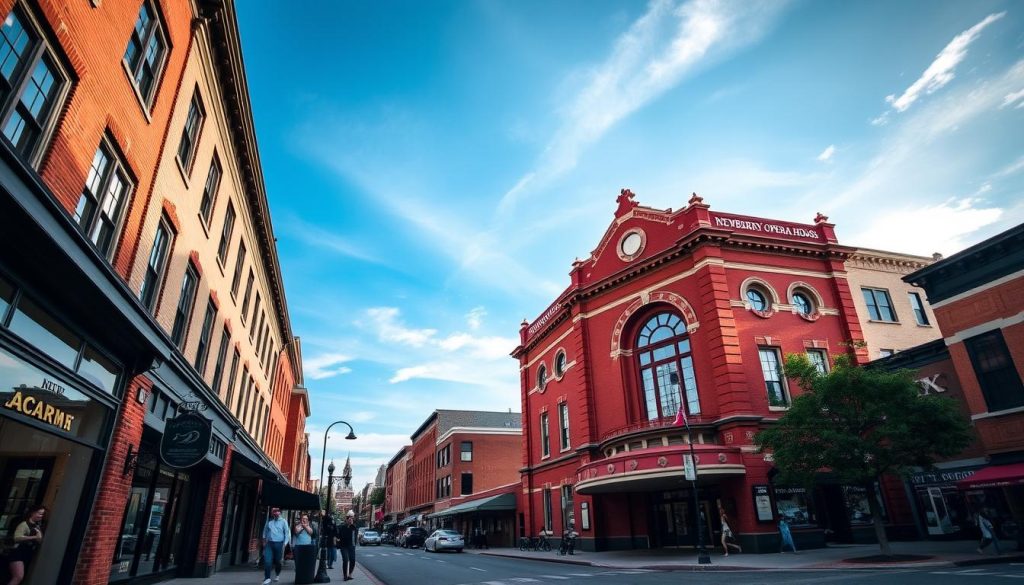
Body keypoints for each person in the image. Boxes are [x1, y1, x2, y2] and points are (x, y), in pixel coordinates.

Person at [6, 505, 45, 585]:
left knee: (21, 577)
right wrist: (34, 537)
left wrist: (38, 536)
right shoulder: (24, 524)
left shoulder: (37, 526)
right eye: (39, 514)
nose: (41, 516)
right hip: (17, 553)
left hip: (27, 554)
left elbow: (39, 540)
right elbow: (17, 537)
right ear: (33, 513)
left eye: (42, 514)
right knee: (18, 576)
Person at [261, 507, 290, 585]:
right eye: (274, 511)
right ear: (272, 512)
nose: (275, 512)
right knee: (267, 561)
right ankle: (267, 578)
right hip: (269, 543)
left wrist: (285, 543)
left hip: (279, 544)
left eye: (277, 511)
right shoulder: (269, 521)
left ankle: (277, 574)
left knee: (278, 561)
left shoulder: (284, 522)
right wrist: (264, 541)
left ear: (280, 512)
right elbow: (265, 531)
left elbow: (287, 533)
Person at [336, 511, 358, 581]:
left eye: (352, 518)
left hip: (351, 546)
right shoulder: (342, 527)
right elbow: (338, 535)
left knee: (353, 560)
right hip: (343, 546)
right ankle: (345, 575)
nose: (350, 519)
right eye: (349, 518)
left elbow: (355, 535)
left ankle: (350, 574)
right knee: (345, 560)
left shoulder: (353, 527)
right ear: (346, 519)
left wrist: (351, 525)